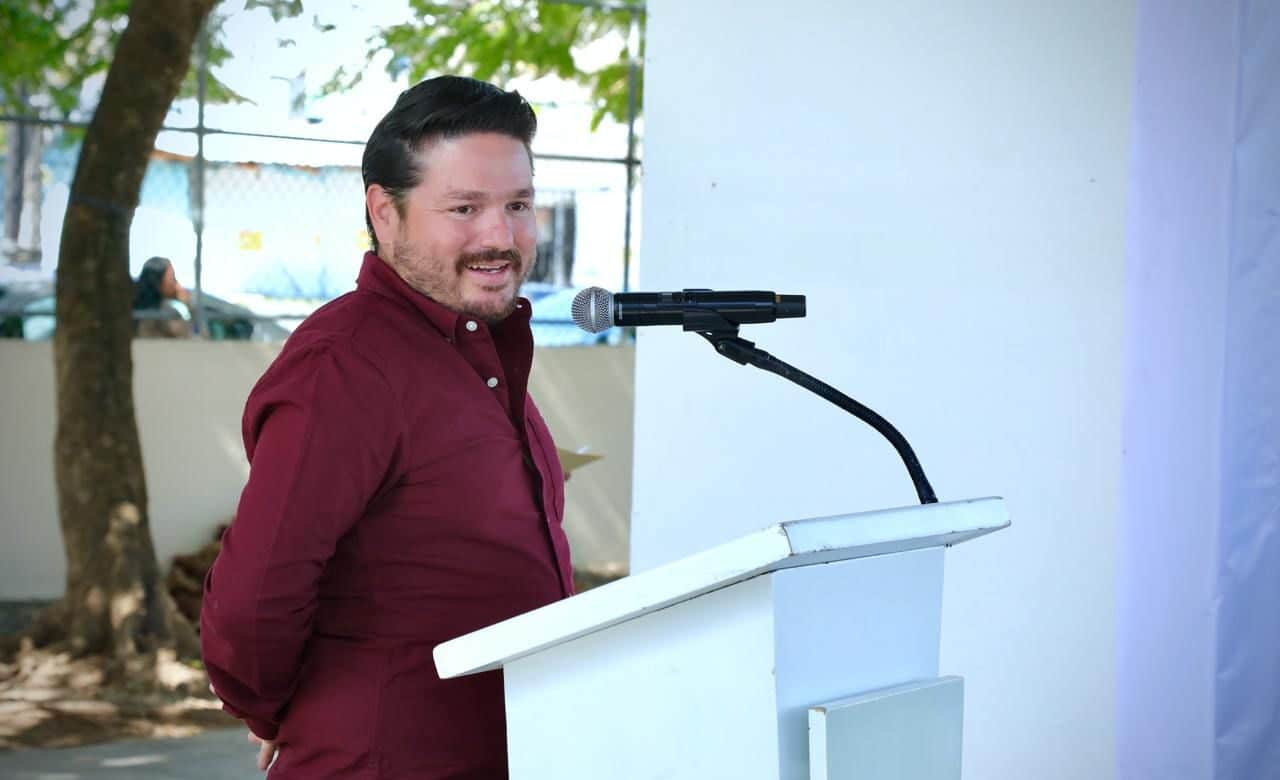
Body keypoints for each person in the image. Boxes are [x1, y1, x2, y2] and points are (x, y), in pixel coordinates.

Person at [200, 76, 575, 779]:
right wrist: (277, 711)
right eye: (464, 208)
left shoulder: (478, 350)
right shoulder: (344, 365)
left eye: (518, 205)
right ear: (385, 212)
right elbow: (253, 602)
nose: (501, 236)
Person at [132, 255, 193, 338]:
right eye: (172, 277)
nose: (176, 282)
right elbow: (183, 334)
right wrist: (187, 304)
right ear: (158, 280)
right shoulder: (164, 311)